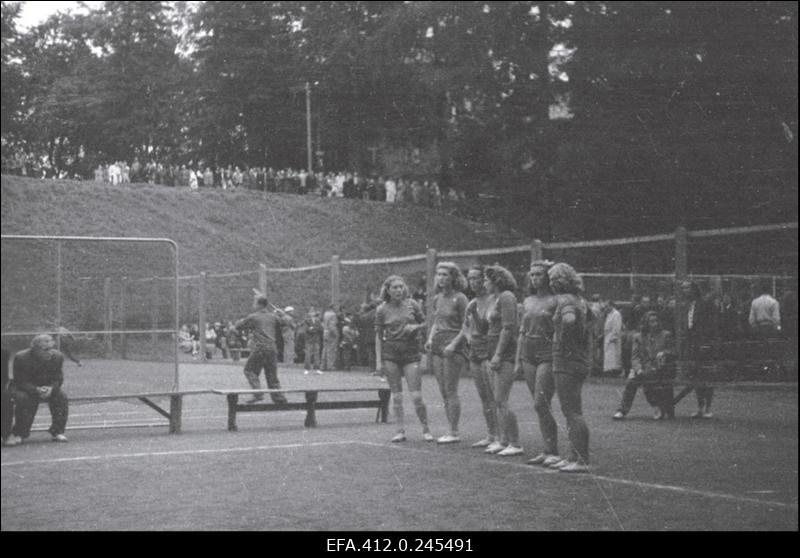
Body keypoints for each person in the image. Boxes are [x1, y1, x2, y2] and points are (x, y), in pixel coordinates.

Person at [375, 275, 433, 442]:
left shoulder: (412, 304)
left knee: (416, 395)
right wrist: (378, 361)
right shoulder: (381, 309)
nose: (399, 290)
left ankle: (426, 428)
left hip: (411, 353)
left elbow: (426, 323)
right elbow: (378, 336)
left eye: (401, 287)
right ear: (388, 290)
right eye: (395, 287)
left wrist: (415, 327)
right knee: (397, 396)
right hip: (391, 354)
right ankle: (400, 430)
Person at [548, 263, 592, 473]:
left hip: (567, 359)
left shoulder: (565, 299)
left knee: (572, 411)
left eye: (553, 279)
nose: (551, 284)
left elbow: (569, 320)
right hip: (577, 358)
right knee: (571, 410)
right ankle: (573, 455)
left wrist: (564, 341)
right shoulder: (579, 299)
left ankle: (581, 459)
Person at [515, 260, 560, 466]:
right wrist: (517, 359)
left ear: (548, 277)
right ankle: (547, 449)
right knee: (539, 405)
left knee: (541, 402)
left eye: (539, 274)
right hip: (528, 353)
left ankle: (553, 450)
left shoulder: (555, 300)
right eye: (532, 275)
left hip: (547, 353)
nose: (535, 278)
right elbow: (522, 332)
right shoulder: (527, 301)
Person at [450, 266, 497, 448]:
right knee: (483, 395)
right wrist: (469, 339)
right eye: (471, 279)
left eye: (477, 278)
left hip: (489, 351)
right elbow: (466, 327)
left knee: (494, 395)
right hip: (475, 351)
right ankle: (491, 434)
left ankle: (501, 436)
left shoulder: (494, 300)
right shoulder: (472, 303)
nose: (474, 282)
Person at [424, 262, 468, 444]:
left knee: (451, 390)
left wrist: (454, 344)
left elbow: (467, 325)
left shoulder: (461, 298)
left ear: (453, 277)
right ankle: (450, 429)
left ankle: (454, 431)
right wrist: (430, 338)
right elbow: (436, 321)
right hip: (437, 345)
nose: (441, 278)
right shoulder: (437, 298)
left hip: (453, 345)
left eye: (445, 274)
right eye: (439, 274)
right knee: (443, 390)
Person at [484, 265, 523, 456]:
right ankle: (503, 439)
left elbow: (508, 327)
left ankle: (515, 442)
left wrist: (499, 354)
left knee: (501, 399)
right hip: (493, 351)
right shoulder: (496, 298)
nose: (484, 284)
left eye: (487, 280)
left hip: (504, 353)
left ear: (496, 281)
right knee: (497, 400)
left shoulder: (507, 296)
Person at [6, 335, 70, 446]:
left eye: (51, 348)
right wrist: (36, 390)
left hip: (47, 387)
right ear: (35, 348)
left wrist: (51, 388)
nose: (50, 352)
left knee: (61, 397)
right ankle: (20, 433)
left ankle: (57, 431)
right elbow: (20, 380)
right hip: (23, 387)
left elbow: (58, 378)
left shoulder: (58, 356)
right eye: (46, 349)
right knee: (25, 399)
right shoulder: (21, 357)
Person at [613, 311, 676, 420]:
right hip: (644, 368)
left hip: (661, 368)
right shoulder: (638, 337)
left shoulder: (666, 335)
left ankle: (657, 407)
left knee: (647, 379)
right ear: (646, 323)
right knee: (632, 382)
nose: (655, 323)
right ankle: (622, 411)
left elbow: (673, 351)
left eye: (656, 321)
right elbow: (635, 357)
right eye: (652, 321)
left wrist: (665, 353)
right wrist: (638, 369)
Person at [232, 296, 292, 404]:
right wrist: (282, 313)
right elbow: (288, 322)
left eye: (255, 303)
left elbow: (238, 326)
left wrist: (241, 320)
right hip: (272, 349)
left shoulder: (254, 317)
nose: (253, 305)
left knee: (249, 370)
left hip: (260, 348)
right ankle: (280, 399)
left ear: (259, 305)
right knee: (272, 375)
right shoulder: (273, 317)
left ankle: (258, 393)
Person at [682, 281, 717, 419]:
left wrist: (707, 343)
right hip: (693, 345)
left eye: (687, 288)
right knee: (696, 377)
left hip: (704, 345)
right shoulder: (687, 306)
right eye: (683, 288)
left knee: (706, 376)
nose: (685, 291)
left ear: (694, 289)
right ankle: (700, 407)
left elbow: (711, 325)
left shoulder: (704, 304)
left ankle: (708, 407)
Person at [602, 299, 623, 377]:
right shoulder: (609, 314)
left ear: (611, 306)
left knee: (613, 355)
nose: (606, 308)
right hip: (608, 336)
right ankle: (609, 370)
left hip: (613, 337)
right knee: (608, 355)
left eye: (607, 306)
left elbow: (617, 326)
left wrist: (614, 336)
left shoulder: (616, 314)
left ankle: (614, 371)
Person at [303, 308, 323, 375]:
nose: (312, 314)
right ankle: (306, 369)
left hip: (316, 339)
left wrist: (313, 328)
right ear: (308, 313)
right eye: (310, 312)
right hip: (309, 339)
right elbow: (307, 329)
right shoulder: (306, 321)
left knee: (316, 354)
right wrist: (313, 329)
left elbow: (320, 329)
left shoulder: (318, 320)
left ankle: (317, 368)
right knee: (308, 354)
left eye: (313, 312)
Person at [321, 305, 339, 372]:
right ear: (333, 308)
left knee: (325, 349)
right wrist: (335, 334)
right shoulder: (333, 315)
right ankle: (330, 366)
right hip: (330, 333)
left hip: (325, 332)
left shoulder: (325, 314)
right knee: (331, 350)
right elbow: (332, 326)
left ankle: (323, 365)